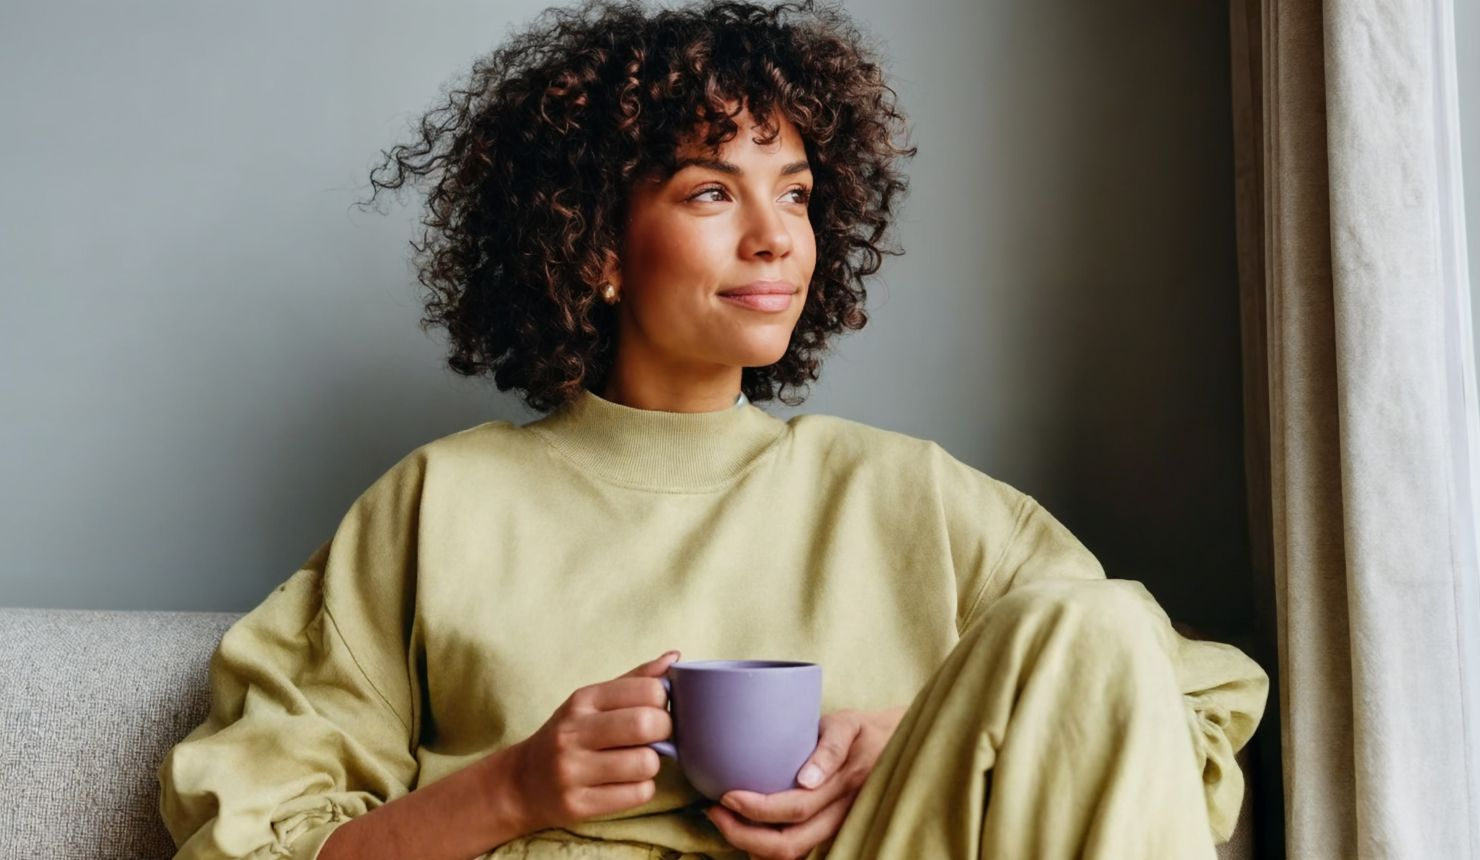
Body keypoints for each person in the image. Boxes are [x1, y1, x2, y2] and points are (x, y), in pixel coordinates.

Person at [156, 1, 1269, 858]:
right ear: (593, 247)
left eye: (793, 193)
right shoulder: (438, 507)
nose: (775, 237)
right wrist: (513, 786)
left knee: (1097, 624)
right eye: (708, 194)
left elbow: (1181, 699)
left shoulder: (908, 496)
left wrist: (913, 736)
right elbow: (257, 840)